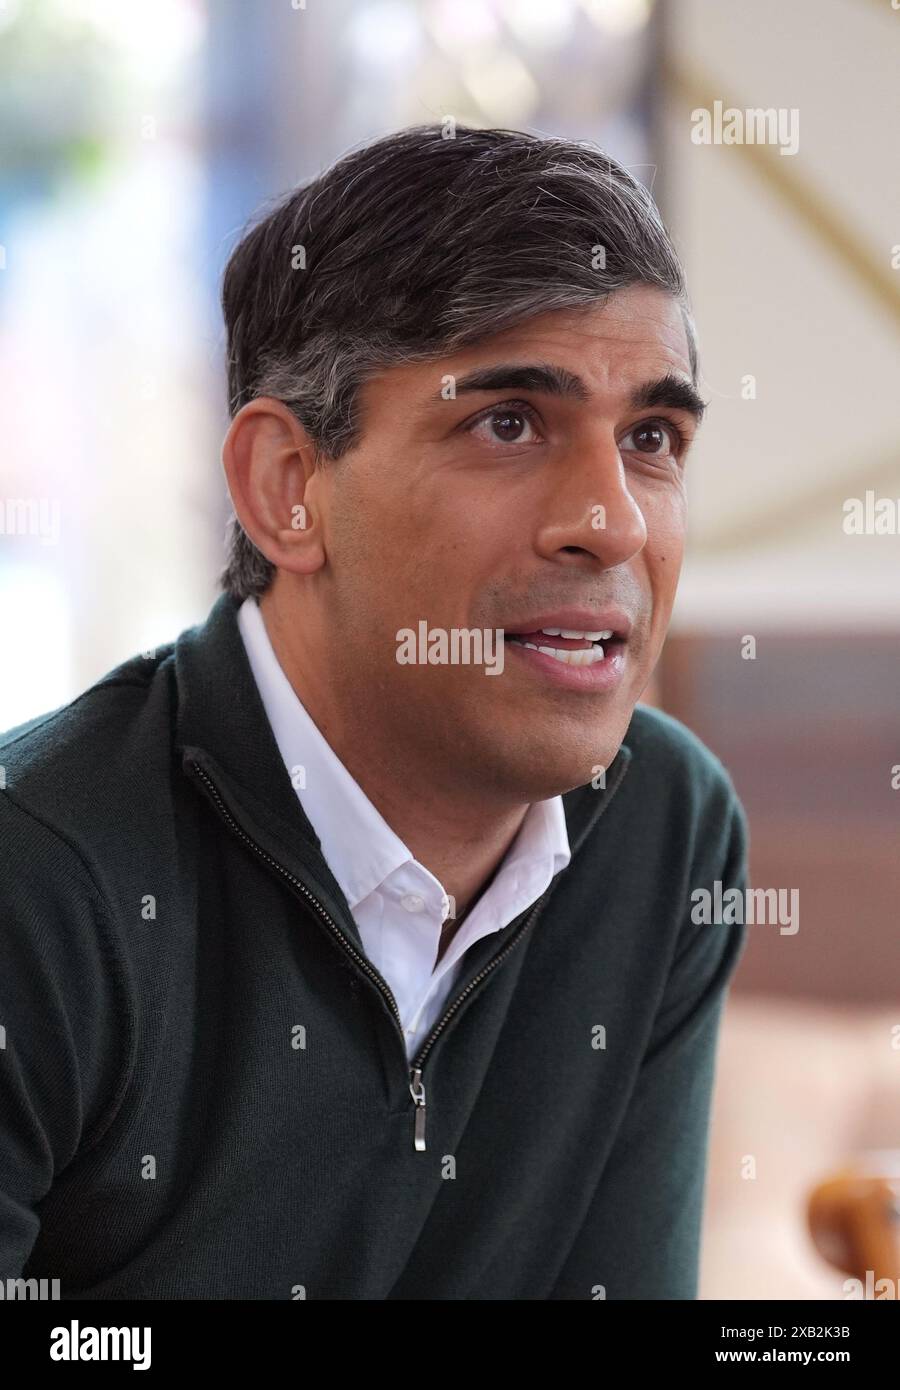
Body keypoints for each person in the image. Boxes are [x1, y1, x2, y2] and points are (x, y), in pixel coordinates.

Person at [0, 124, 747, 1299]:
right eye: (508, 422)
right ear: (288, 490)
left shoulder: (666, 826)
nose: (613, 523)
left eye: (651, 439)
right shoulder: (39, 881)